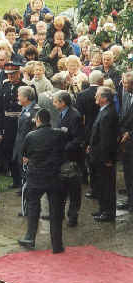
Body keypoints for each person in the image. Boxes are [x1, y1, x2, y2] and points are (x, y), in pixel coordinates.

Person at [18, 108, 66, 254]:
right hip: (54, 176)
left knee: (33, 207)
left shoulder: (31, 136)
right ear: (49, 120)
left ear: (38, 119)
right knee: (56, 212)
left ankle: (30, 237)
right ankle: (57, 244)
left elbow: (25, 153)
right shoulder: (59, 134)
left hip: (36, 176)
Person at [53, 90, 85, 226]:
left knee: (73, 190)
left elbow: (79, 138)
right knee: (61, 188)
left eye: (55, 101)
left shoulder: (74, 116)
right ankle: (59, 214)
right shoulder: (61, 114)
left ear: (63, 102)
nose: (53, 104)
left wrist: (66, 147)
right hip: (62, 158)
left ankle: (73, 216)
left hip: (73, 159)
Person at [88, 86, 119, 222]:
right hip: (98, 154)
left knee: (107, 185)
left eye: (98, 95)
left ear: (105, 98)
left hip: (104, 157)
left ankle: (108, 212)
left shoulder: (108, 114)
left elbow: (107, 139)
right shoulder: (104, 111)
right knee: (101, 184)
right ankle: (103, 209)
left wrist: (107, 158)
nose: (95, 97)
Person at [14, 86, 40, 216]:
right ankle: (26, 209)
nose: (17, 98)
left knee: (29, 182)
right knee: (24, 180)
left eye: (19, 95)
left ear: (25, 97)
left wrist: (28, 154)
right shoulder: (25, 109)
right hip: (21, 149)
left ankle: (30, 210)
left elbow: (35, 135)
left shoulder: (36, 112)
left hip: (28, 154)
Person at [75, 70, 102, 191]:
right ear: (101, 81)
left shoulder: (81, 95)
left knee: (87, 157)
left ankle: (87, 179)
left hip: (87, 129)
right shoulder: (106, 92)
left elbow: (79, 116)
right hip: (103, 129)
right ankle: (98, 184)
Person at [118, 72, 133, 212]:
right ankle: (130, 200)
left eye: (127, 83)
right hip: (126, 142)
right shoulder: (126, 94)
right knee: (128, 173)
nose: (124, 85)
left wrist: (130, 133)